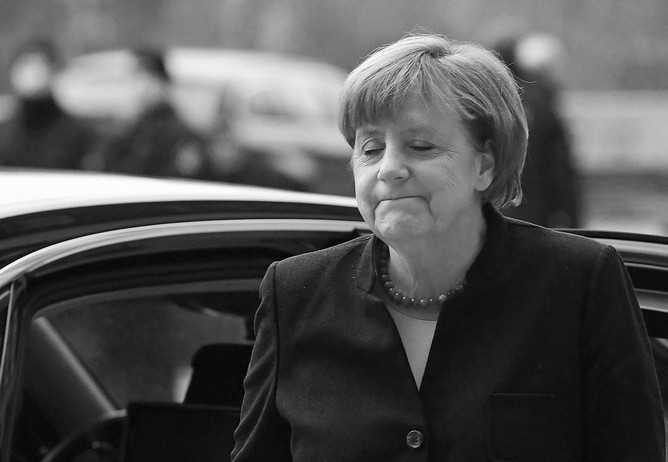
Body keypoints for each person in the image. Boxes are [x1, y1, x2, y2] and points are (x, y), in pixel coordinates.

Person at [231, 33, 664, 461]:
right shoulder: (295, 292)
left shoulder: (578, 284)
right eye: (371, 148)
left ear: (484, 164)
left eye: (420, 147)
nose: (390, 169)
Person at [495, 33, 582, 228]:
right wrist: (571, 217)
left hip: (509, 209)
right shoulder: (542, 106)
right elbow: (558, 169)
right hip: (539, 214)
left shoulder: (508, 102)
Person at [97, 48, 218, 180]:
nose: (138, 87)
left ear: (160, 81)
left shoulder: (178, 133)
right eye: (134, 77)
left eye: (144, 77)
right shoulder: (130, 130)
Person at [0, 39, 98, 169]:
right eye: (25, 63)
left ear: (54, 72)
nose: (32, 72)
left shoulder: (78, 136)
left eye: (39, 64)